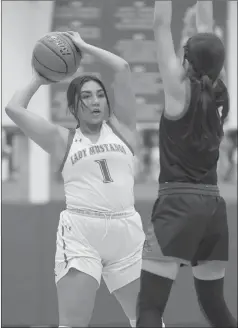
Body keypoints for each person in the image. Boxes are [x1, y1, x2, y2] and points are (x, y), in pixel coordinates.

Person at [5, 31, 146, 327]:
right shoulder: (62, 140)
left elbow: (121, 67)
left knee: (147, 320)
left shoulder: (124, 129)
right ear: (74, 107)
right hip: (83, 232)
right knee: (73, 324)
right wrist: (40, 78)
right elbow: (13, 109)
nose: (95, 101)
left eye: (99, 95)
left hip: (126, 230)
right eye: (85, 96)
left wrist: (82, 47)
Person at [136, 1, 237, 327]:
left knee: (150, 307)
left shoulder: (178, 90)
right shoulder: (220, 92)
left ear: (186, 60)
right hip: (213, 208)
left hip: (177, 205)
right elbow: (204, 30)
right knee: (215, 305)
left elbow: (160, 24)